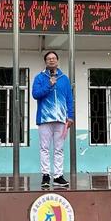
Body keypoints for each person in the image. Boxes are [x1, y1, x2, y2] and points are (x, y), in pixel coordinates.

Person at [32, 51, 74, 188]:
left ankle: (58, 176)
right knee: (44, 148)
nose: (51, 60)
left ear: (57, 60)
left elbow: (69, 98)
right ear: (45, 61)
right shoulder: (39, 78)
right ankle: (45, 175)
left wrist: (71, 115)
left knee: (59, 149)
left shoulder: (64, 78)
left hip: (61, 119)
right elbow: (36, 94)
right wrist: (49, 84)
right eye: (49, 58)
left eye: (54, 58)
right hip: (44, 119)